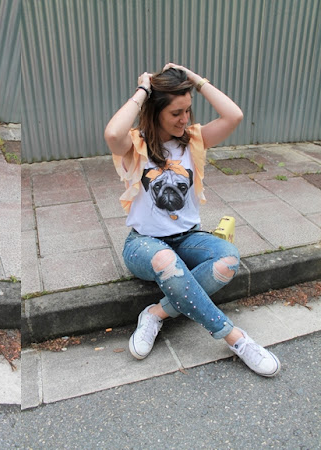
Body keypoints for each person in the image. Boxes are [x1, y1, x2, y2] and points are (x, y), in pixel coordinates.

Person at [104, 63, 280, 377]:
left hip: (188, 238)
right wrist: (143, 89)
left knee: (228, 259)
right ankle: (235, 338)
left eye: (188, 110)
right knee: (166, 260)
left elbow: (234, 116)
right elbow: (112, 133)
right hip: (144, 244)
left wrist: (195, 79)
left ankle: (156, 313)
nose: (185, 119)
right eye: (176, 113)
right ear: (155, 111)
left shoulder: (194, 140)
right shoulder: (136, 145)